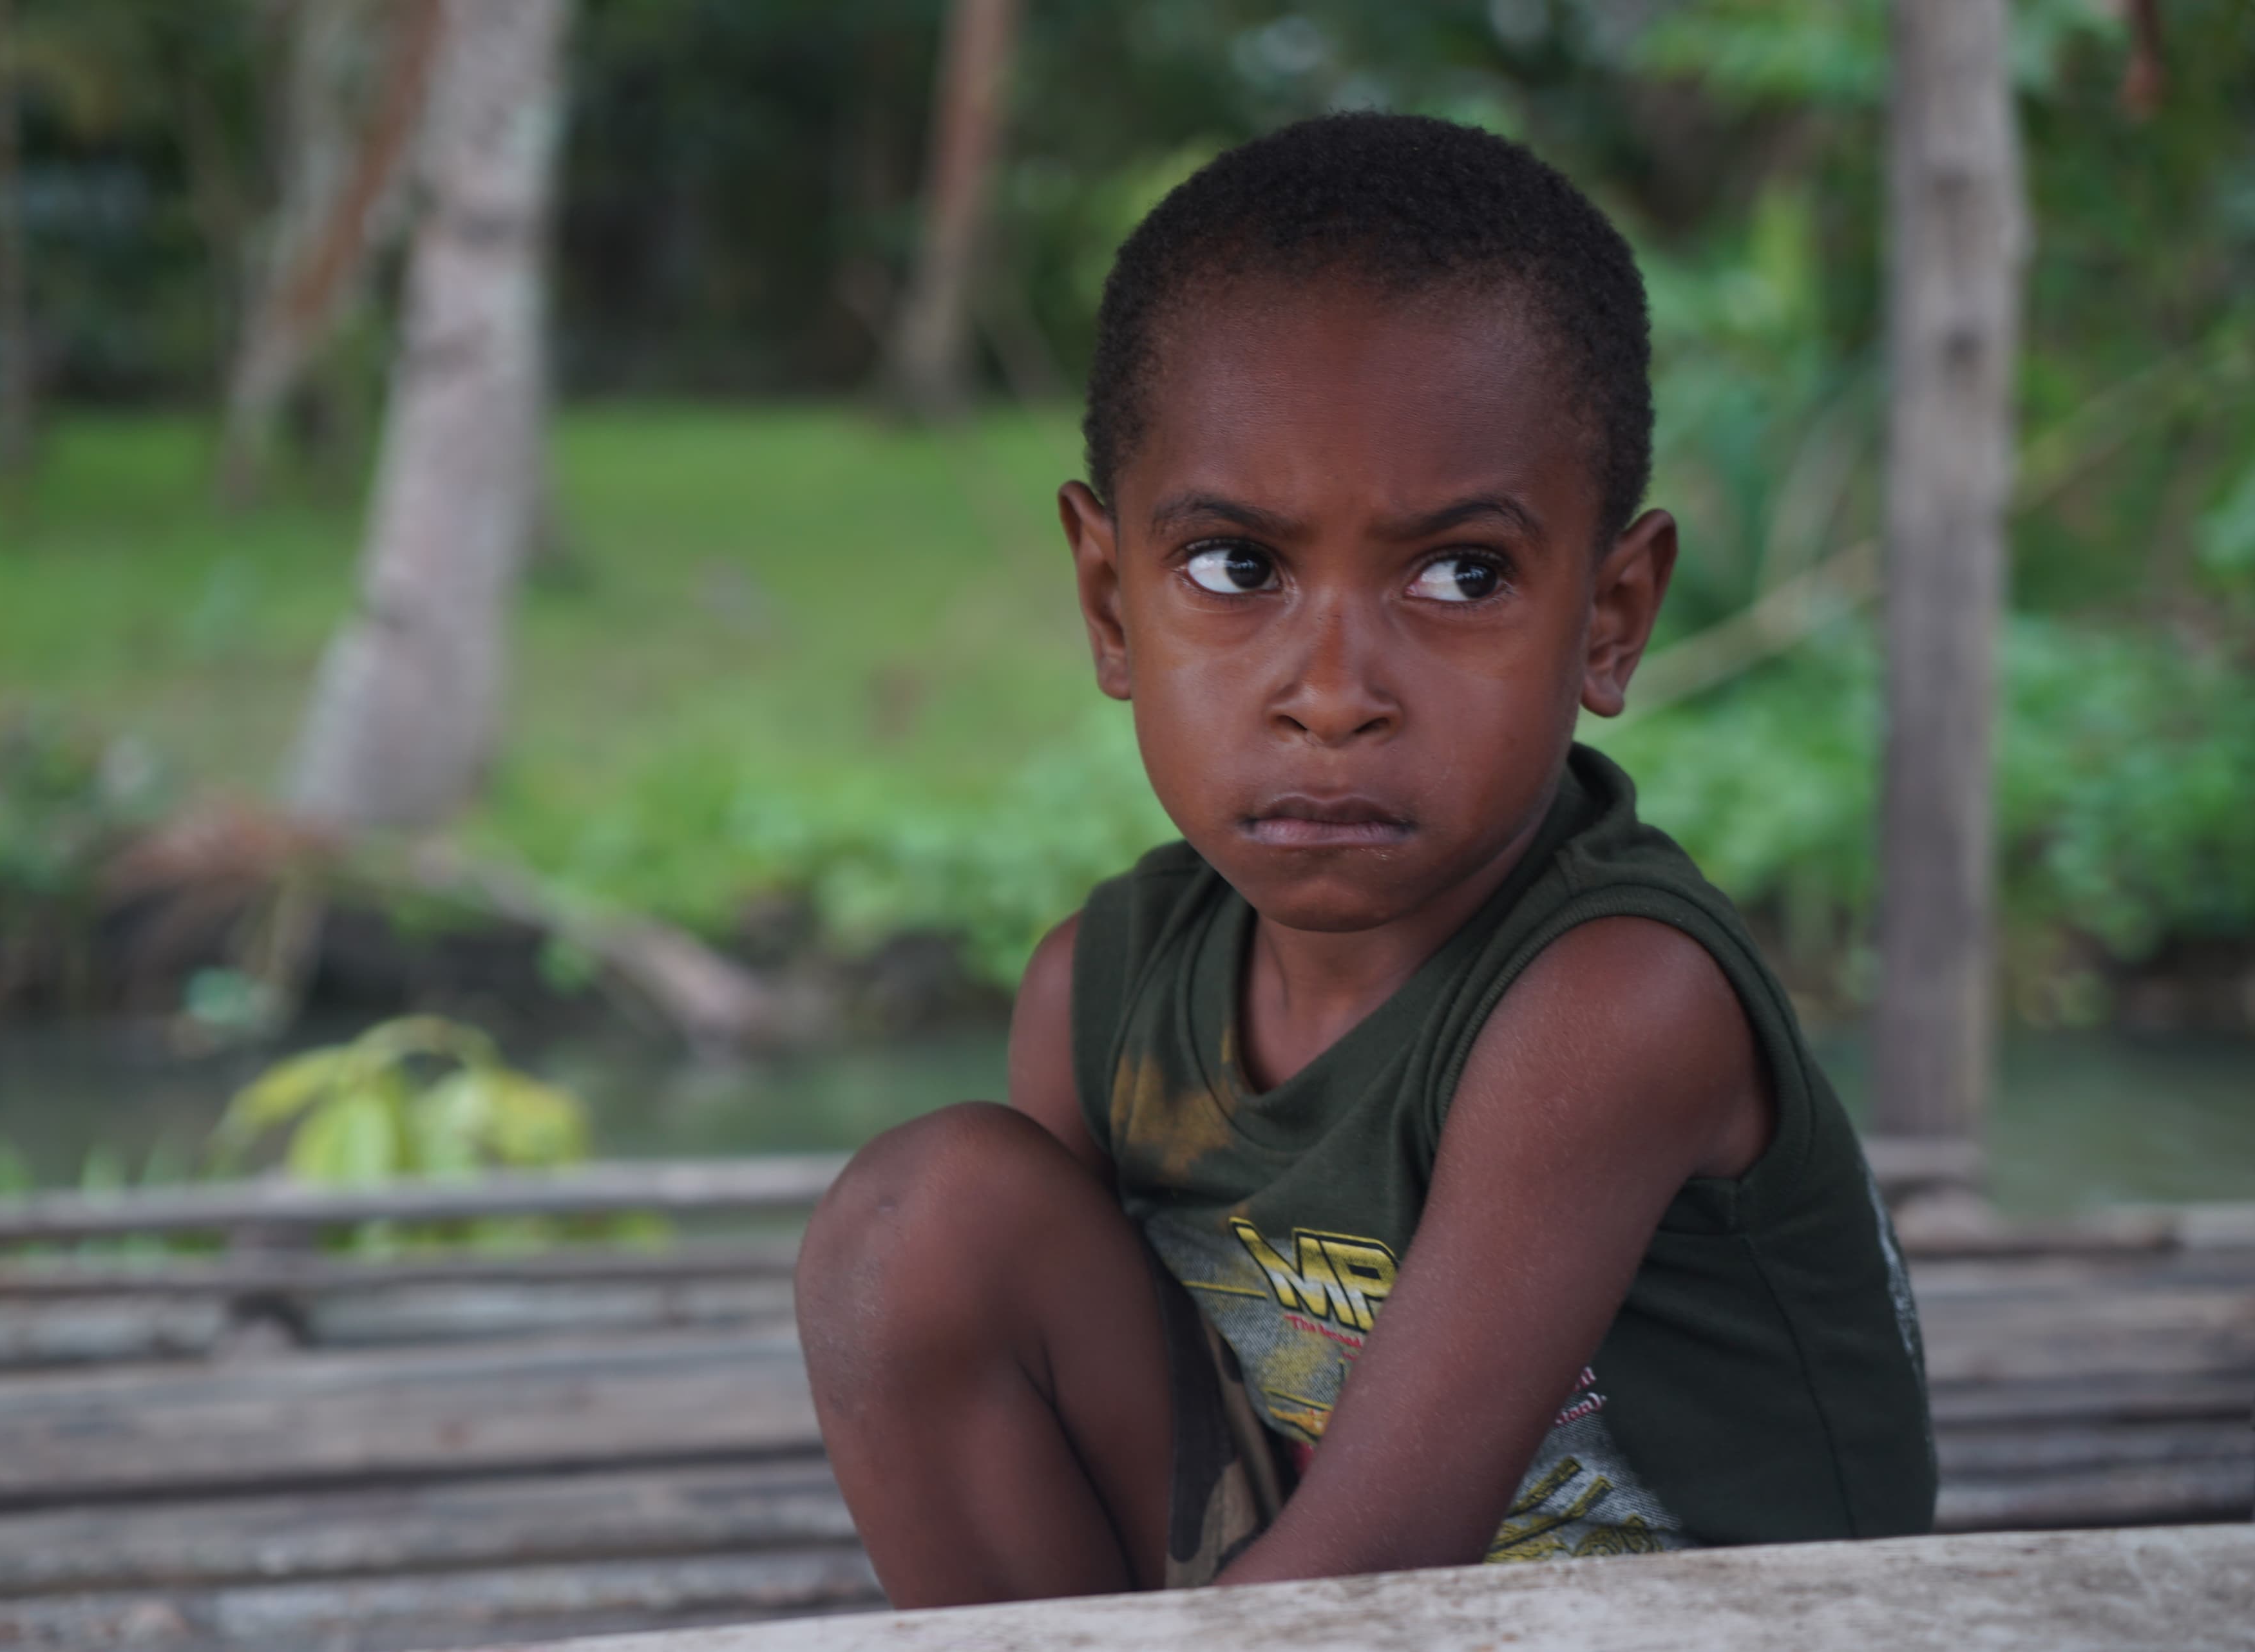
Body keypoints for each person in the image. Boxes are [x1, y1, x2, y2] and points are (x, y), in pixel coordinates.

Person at [794, 113, 1936, 1608]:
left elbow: (1357, 1586)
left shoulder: (1616, 1005)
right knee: (920, 1228)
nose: (1333, 690)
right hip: (1312, 1595)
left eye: (1462, 573)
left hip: (1699, 1627)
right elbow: (1077, 1446)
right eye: (1235, 567)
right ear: (1110, 596)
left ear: (1611, 614)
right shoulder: (1106, 995)